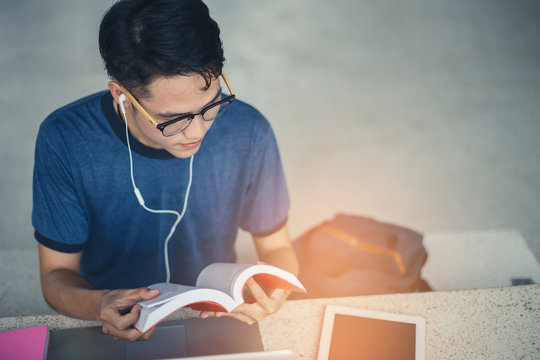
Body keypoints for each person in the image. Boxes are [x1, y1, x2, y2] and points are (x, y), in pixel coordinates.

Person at [32, 0, 298, 341]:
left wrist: (274, 291)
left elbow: (278, 249)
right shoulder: (66, 139)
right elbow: (56, 275)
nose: (198, 131)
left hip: (215, 317)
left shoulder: (249, 129)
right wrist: (100, 305)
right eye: (173, 120)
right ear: (121, 96)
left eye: (211, 105)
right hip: (112, 325)